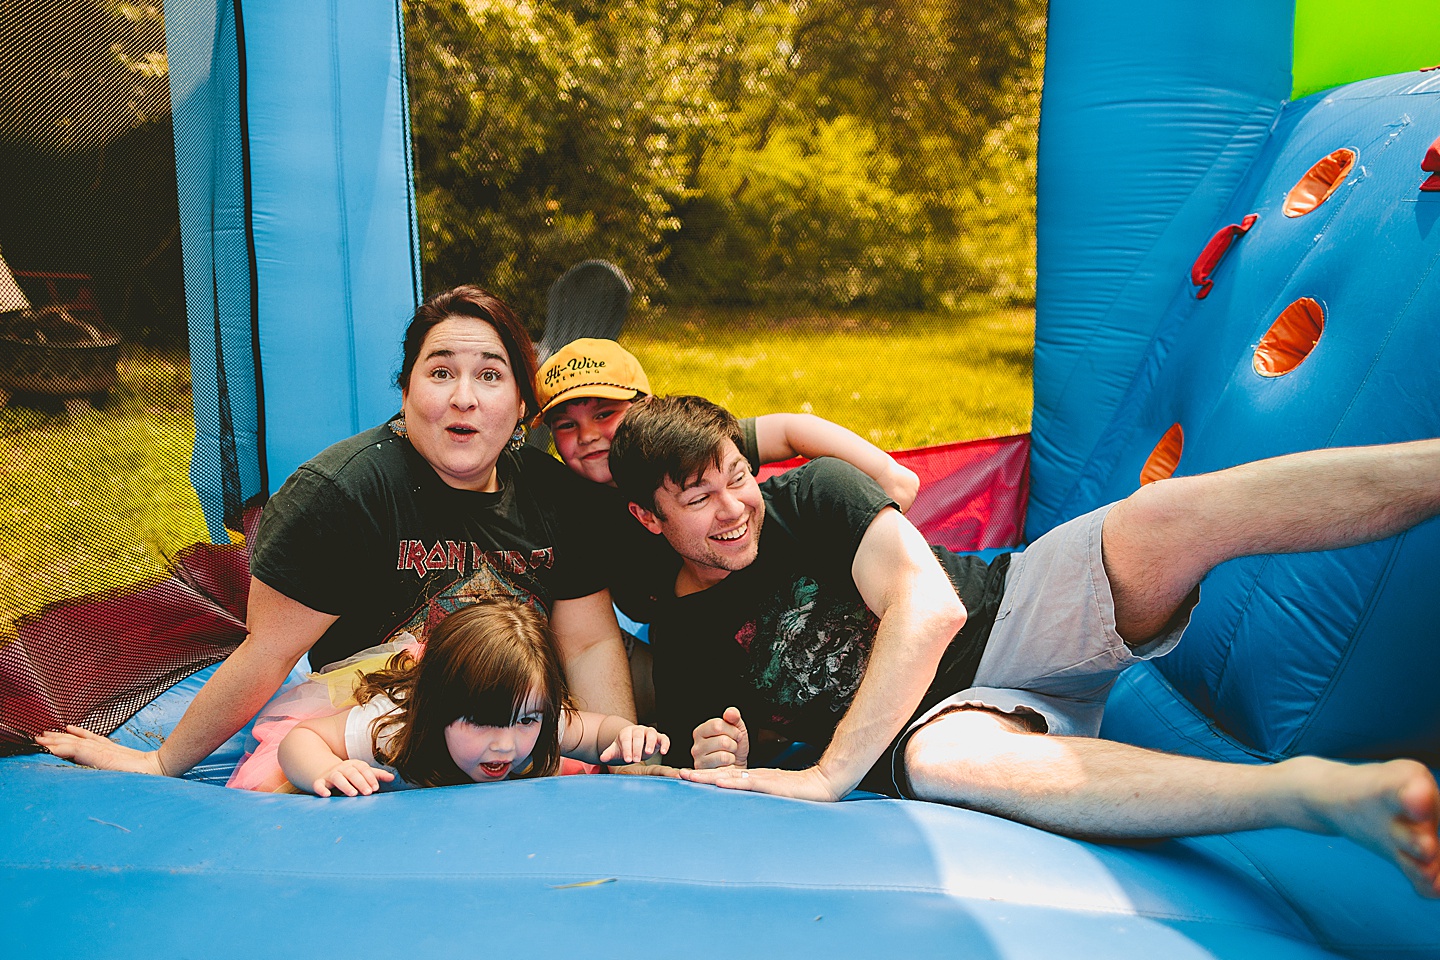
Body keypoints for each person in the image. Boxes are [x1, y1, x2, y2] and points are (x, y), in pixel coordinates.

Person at [606, 393, 1440, 898]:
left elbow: (930, 610)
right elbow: (708, 751)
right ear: (651, 519)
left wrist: (829, 775)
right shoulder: (682, 636)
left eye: (737, 477)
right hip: (938, 724)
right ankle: (1310, 796)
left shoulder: (813, 496)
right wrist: (730, 747)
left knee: (1155, 519)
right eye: (698, 499)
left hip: (1009, 611)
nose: (733, 509)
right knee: (942, 764)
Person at [37, 286, 635, 778]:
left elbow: (587, 643)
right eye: (441, 372)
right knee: (272, 781)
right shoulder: (340, 496)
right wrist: (162, 763)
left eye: (489, 376)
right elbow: (268, 653)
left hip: (510, 714)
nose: (463, 398)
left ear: (522, 403)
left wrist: (618, 774)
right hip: (377, 721)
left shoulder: (555, 498)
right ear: (405, 391)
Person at [227, 600, 667, 796]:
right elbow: (299, 740)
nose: (505, 745)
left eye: (525, 721)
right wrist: (326, 770)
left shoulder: (536, 716)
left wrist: (626, 736)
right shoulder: (390, 729)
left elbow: (598, 731)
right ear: (438, 712)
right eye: (480, 722)